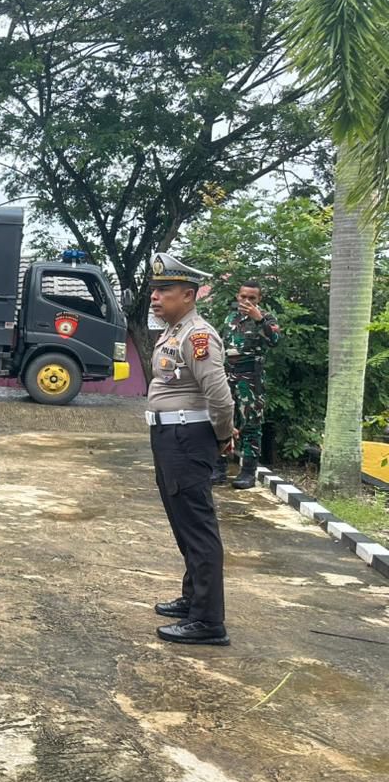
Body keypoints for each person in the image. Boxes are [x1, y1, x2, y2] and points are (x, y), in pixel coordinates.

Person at [147, 252, 235, 647]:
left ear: (189, 294)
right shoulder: (174, 331)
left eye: (164, 289)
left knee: (198, 528)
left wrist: (222, 436)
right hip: (171, 438)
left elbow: (220, 396)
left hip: (187, 438)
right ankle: (192, 599)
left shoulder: (198, 336)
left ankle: (207, 621)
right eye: (155, 289)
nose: (155, 296)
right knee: (184, 524)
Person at [221, 280, 281, 490]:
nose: (246, 301)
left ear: (259, 299)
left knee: (250, 425)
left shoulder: (266, 318)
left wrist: (260, 320)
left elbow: (274, 341)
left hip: (250, 378)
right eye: (243, 296)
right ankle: (219, 467)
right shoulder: (231, 317)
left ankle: (247, 472)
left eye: (251, 298)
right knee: (223, 420)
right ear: (238, 296)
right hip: (227, 376)